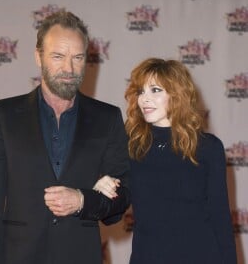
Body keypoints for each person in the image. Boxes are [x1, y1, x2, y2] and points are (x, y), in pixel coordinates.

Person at [0, 11, 130, 264]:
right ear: (38, 56)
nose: (68, 68)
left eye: (77, 57)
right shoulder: (4, 116)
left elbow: (120, 202)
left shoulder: (108, 118)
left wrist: (82, 200)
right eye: (58, 56)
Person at [95, 58, 237, 263]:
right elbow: (111, 216)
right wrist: (103, 189)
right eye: (141, 91)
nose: (144, 99)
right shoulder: (131, 146)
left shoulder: (208, 148)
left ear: (177, 94)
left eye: (155, 90)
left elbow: (220, 219)